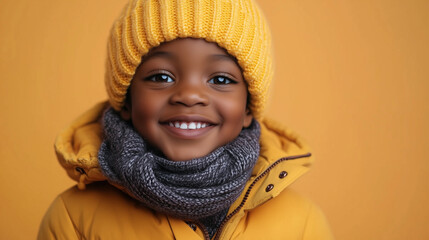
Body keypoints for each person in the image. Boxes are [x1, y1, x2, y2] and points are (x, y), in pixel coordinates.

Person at [38, 0, 334, 239]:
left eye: (220, 78)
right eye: (161, 77)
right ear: (127, 100)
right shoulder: (74, 218)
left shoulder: (302, 225)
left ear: (247, 109)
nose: (190, 95)